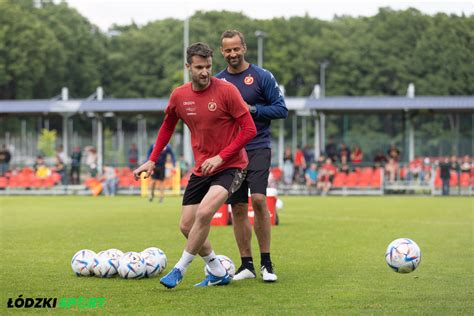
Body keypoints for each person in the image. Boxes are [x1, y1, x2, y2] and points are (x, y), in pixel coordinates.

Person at [133, 42, 256, 289]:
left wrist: (222, 156)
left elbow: (250, 129)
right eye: (199, 67)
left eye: (208, 66)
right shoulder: (179, 95)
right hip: (202, 168)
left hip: (231, 165)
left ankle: (179, 269)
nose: (205, 72)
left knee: (203, 214)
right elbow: (168, 125)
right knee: (186, 226)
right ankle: (217, 269)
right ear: (188, 67)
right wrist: (152, 159)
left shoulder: (227, 91)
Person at [216, 30, 288, 282]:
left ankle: (266, 263)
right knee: (236, 207)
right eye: (228, 50)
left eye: (236, 49)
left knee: (258, 199)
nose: (232, 54)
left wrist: (254, 110)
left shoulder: (261, 76)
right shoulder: (217, 82)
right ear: (222, 52)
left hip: (258, 146)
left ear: (244, 48)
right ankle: (246, 265)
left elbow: (281, 110)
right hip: (231, 152)